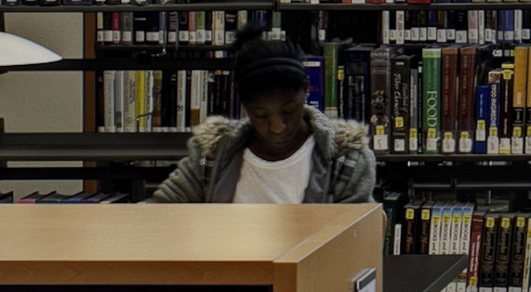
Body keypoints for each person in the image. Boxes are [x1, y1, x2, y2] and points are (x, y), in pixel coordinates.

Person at [149, 29, 378, 203]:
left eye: (289, 111)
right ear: (245, 107)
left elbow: (355, 242)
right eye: (261, 115)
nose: (277, 127)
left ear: (306, 92)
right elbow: (164, 213)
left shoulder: (346, 159)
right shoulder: (212, 152)